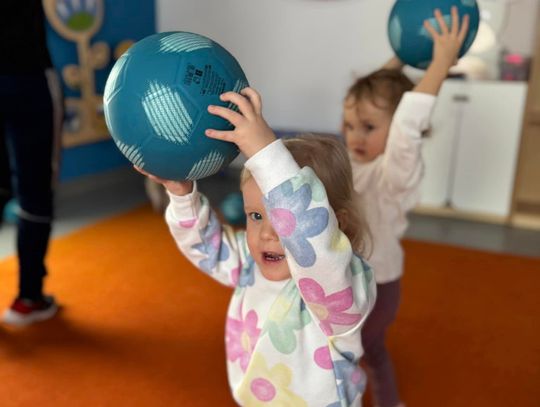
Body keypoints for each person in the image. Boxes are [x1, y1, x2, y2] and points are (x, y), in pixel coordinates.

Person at [137, 87, 376, 406]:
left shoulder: (340, 287)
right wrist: (182, 196)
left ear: (337, 224)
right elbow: (207, 247)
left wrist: (266, 154)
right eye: (256, 216)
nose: (267, 233)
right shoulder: (251, 264)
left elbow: (313, 244)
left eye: (282, 220)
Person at [341, 7, 470, 407]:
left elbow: (405, 124)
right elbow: (368, 102)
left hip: (378, 286)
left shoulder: (395, 172)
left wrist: (440, 65)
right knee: (341, 349)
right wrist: (401, 55)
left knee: (367, 351)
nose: (355, 137)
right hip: (344, 276)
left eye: (368, 128)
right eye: (349, 126)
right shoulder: (353, 159)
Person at [0, 0, 63, 326]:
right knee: (36, 189)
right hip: (27, 77)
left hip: (23, 74)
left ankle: (30, 297)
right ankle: (29, 298)